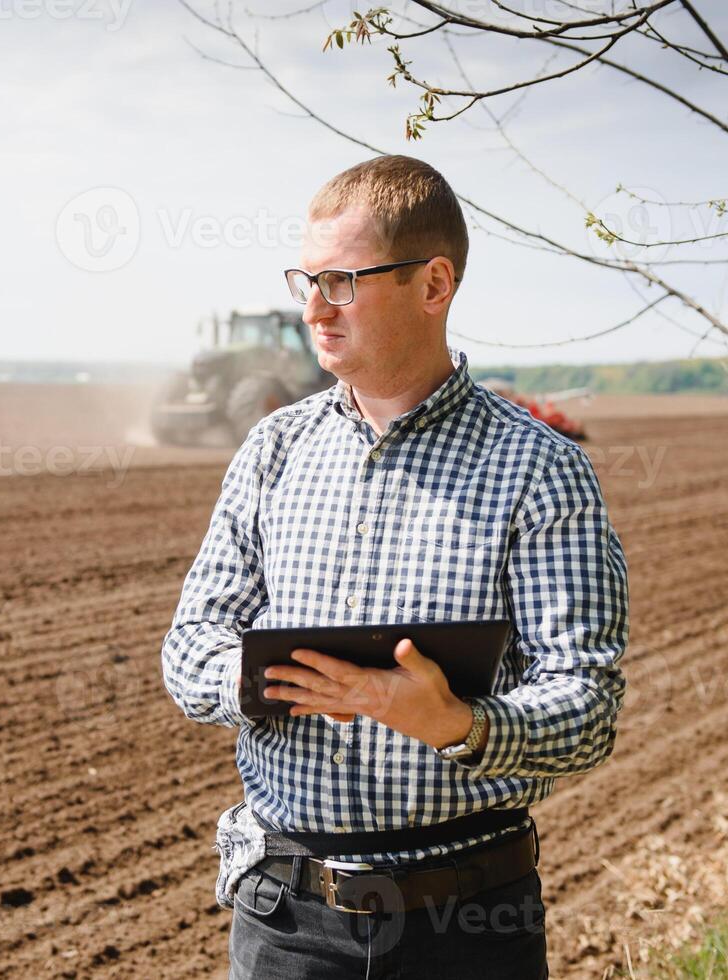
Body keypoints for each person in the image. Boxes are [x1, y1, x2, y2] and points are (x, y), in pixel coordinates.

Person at [160, 155, 630, 979]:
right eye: (306, 278)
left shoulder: (540, 468)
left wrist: (456, 724)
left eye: (340, 281)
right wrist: (264, 674)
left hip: (467, 924)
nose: (312, 307)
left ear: (433, 283)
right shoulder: (272, 449)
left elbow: (586, 706)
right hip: (286, 920)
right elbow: (189, 644)